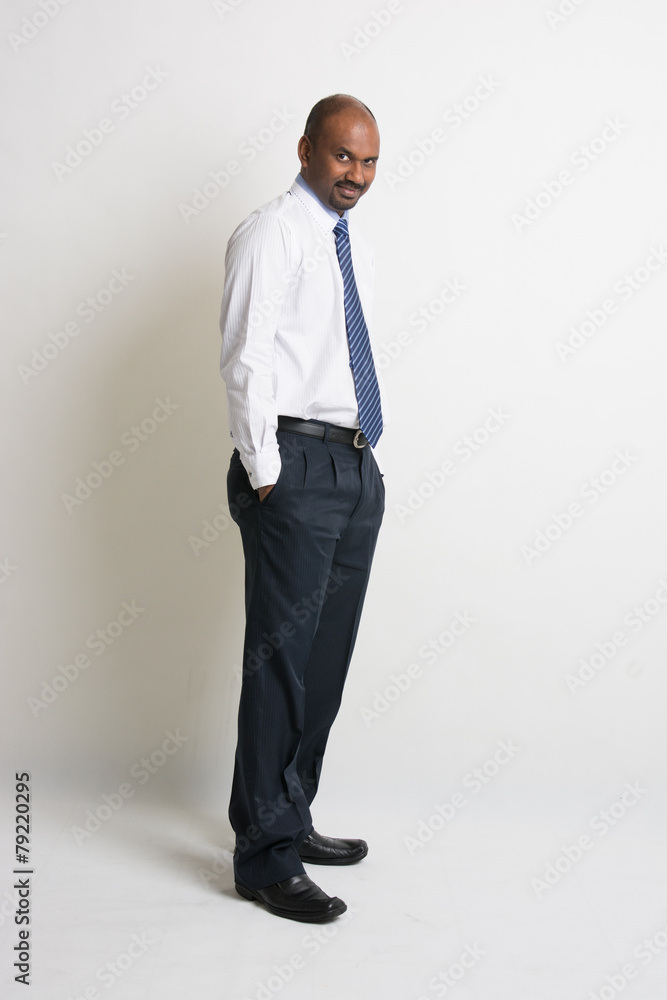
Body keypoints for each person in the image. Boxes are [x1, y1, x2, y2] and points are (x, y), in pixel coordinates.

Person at [219, 94, 385, 923]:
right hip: (293, 466)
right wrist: (266, 474)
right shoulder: (272, 232)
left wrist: (360, 466)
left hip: (352, 464)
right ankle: (263, 859)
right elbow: (245, 355)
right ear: (306, 150)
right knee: (280, 664)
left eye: (368, 161)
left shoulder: (338, 241)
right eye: (342, 156)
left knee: (323, 662)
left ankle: (289, 816)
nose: (355, 174)